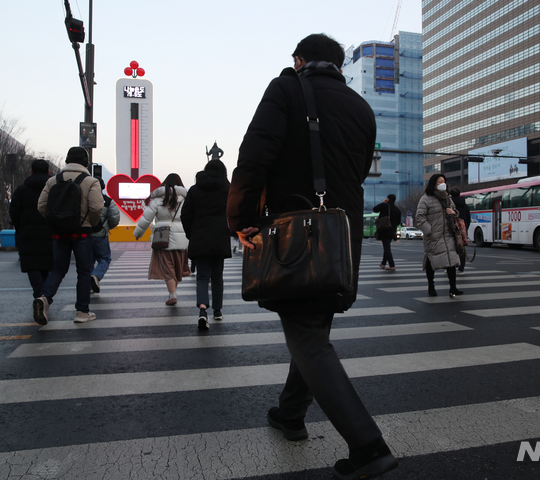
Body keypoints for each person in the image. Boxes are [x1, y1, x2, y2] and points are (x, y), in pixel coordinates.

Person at [227, 34, 398, 480]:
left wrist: (242, 217)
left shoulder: (285, 88)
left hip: (297, 237)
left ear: (300, 60)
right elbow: (359, 171)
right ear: (339, 65)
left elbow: (254, 155)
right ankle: (290, 414)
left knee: (307, 336)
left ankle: (369, 447)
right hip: (341, 242)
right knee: (313, 326)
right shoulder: (362, 109)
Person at [34, 147, 103, 324]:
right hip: (82, 233)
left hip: (58, 232)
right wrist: (91, 223)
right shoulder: (91, 181)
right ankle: (81, 312)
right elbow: (96, 208)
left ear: (67, 160)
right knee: (84, 271)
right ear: (86, 162)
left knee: (58, 269)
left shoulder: (53, 180)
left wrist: (55, 222)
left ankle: (44, 298)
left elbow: (41, 206)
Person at [181, 159, 232, 331]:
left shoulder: (195, 190)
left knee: (202, 277)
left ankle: (203, 311)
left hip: (200, 237)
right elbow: (233, 213)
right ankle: (217, 310)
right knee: (217, 276)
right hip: (220, 238)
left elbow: (185, 214)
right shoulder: (228, 189)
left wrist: (191, 233)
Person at [133, 173, 190, 305]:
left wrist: (138, 233)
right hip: (182, 238)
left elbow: (146, 218)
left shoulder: (157, 200)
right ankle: (173, 293)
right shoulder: (185, 200)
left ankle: (172, 295)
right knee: (177, 267)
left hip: (162, 238)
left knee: (167, 267)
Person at [9, 159, 54, 300]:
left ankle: (39, 295)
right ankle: (45, 295)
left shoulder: (22, 190)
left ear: (31, 172)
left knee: (32, 265)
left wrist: (20, 226)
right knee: (46, 265)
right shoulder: (53, 189)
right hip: (50, 232)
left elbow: (13, 212)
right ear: (49, 172)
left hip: (27, 233)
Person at [415, 174, 463, 297]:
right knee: (432, 262)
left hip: (448, 235)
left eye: (444, 181)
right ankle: (431, 286)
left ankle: (453, 288)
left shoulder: (448, 198)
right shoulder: (425, 199)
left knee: (451, 262)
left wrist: (453, 212)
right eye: (439, 181)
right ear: (433, 184)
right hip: (434, 237)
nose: (443, 183)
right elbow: (419, 217)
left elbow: (455, 213)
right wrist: (429, 230)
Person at [90, 178, 121, 293]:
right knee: (104, 259)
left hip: (85, 235)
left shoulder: (83, 200)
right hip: (101, 235)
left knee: (88, 262)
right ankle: (96, 276)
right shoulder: (107, 201)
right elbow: (114, 218)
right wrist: (106, 228)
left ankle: (88, 286)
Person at [372, 194, 401, 270]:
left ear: (387, 199)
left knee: (386, 247)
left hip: (384, 229)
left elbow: (374, 209)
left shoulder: (384, 206)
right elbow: (398, 222)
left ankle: (392, 264)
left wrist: (383, 203)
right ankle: (383, 263)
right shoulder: (397, 210)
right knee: (386, 246)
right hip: (392, 231)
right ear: (394, 201)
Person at [450, 187, 471, 274]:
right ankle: (461, 268)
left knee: (451, 248)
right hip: (463, 229)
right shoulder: (465, 205)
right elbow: (468, 219)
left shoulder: (450, 205)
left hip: (452, 228)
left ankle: (452, 267)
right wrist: (465, 228)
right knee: (461, 248)